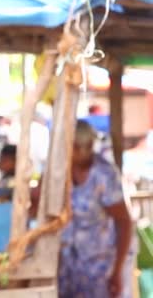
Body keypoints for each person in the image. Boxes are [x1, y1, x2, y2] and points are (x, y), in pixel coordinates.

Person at [58, 120, 135, 298]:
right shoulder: (60, 171)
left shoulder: (104, 174)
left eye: (87, 146)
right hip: (67, 265)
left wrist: (117, 270)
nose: (82, 151)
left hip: (99, 266)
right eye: (77, 146)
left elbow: (124, 223)